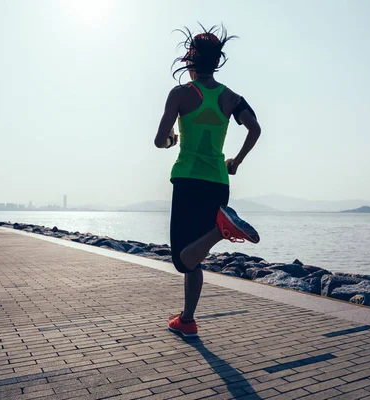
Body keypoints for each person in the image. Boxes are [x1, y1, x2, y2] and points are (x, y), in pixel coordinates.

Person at [154, 24, 261, 337]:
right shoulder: (231, 98)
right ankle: (187, 320)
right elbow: (254, 129)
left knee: (181, 260)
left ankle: (221, 230)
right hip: (217, 182)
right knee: (195, 256)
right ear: (217, 62)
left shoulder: (181, 94)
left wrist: (173, 140)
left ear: (190, 60)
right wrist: (236, 162)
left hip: (188, 179)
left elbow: (160, 140)